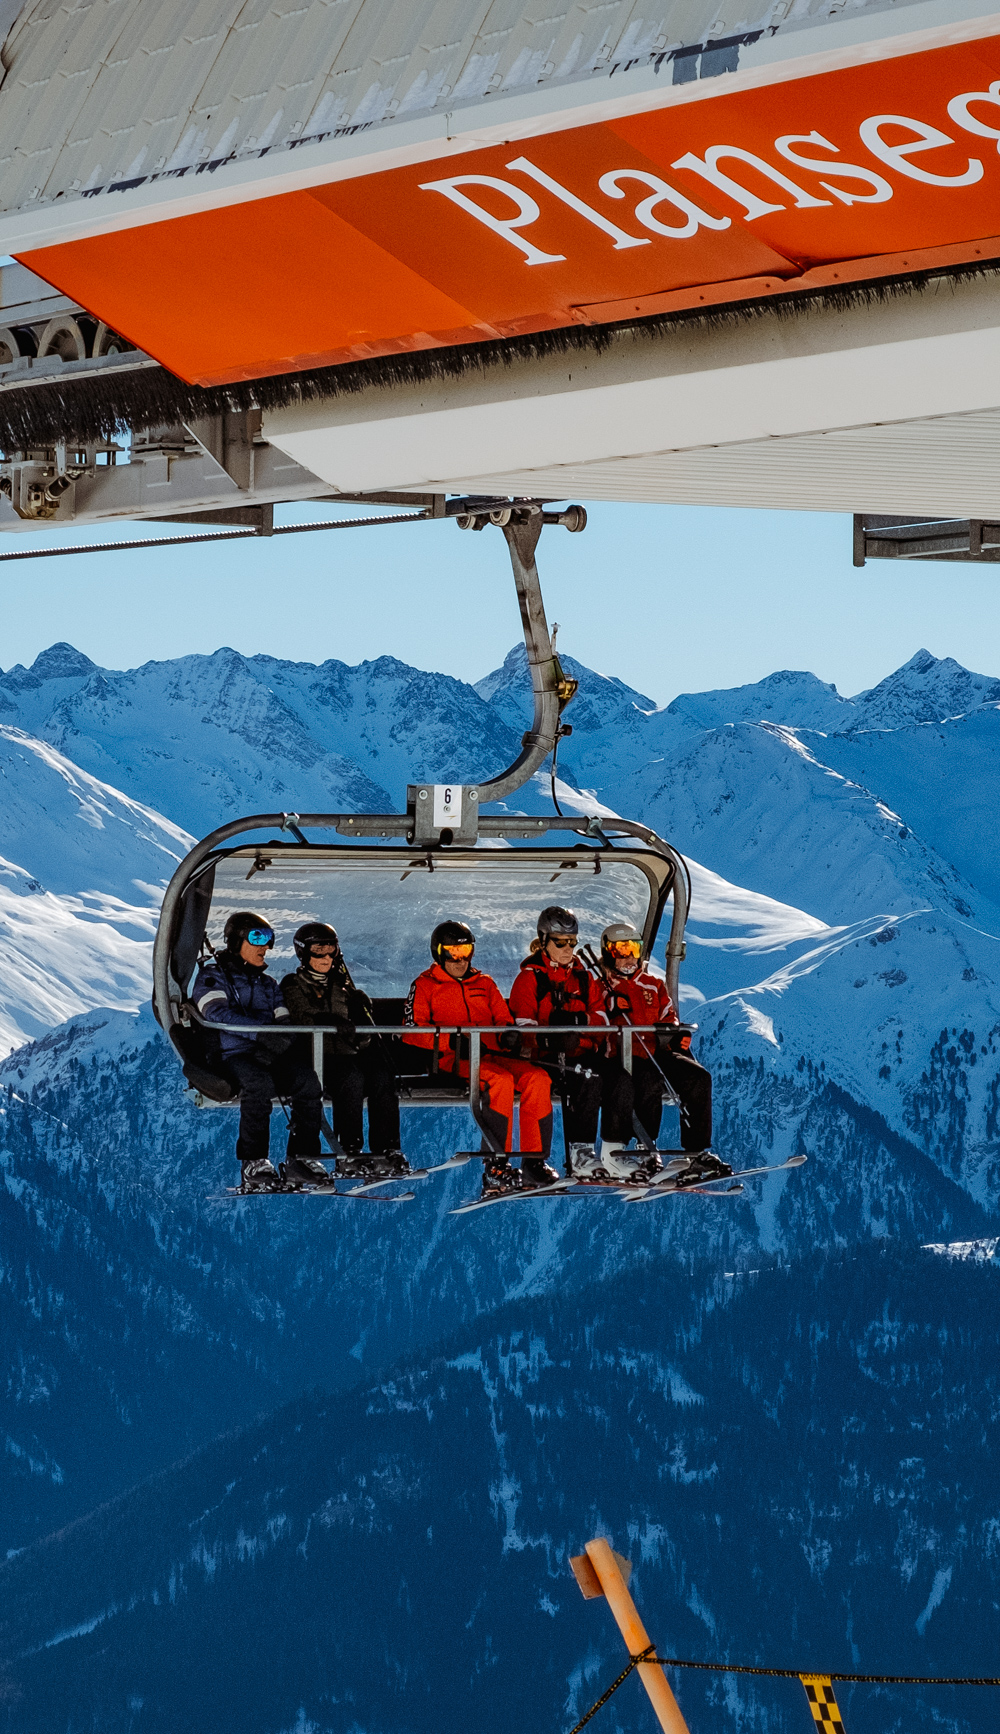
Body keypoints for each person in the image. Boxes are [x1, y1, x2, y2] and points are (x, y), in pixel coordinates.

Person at [403, 921, 556, 1195]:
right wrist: (447, 1041)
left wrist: (508, 1036)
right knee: (500, 1082)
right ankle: (497, 1165)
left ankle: (535, 1161)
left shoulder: (484, 983)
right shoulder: (426, 985)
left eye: (466, 952)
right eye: (453, 952)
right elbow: (411, 1030)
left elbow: (503, 1020)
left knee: (538, 1078)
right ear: (439, 953)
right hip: (453, 1059)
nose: (460, 960)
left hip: (492, 1054)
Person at [192, 911, 326, 1192]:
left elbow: (284, 1021)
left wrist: (276, 1042)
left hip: (267, 1054)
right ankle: (253, 1161)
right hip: (232, 1055)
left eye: (269, 939)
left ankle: (302, 1157)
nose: (266, 946)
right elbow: (215, 1014)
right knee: (258, 1084)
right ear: (236, 941)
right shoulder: (212, 977)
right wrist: (260, 1034)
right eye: (257, 938)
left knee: (307, 1081)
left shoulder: (268, 985)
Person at [595, 921, 727, 1183]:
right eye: (622, 949)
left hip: (656, 1050)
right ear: (609, 951)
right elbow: (594, 1020)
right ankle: (646, 1146)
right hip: (623, 1055)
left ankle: (695, 1151)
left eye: (634, 948)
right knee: (648, 1078)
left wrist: (672, 1033)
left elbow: (669, 1014)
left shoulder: (652, 985)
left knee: (698, 1077)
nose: (629, 956)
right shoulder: (600, 986)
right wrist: (610, 1008)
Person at [280, 922, 405, 1179]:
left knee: (382, 1076)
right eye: (318, 951)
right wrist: (330, 1021)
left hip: (347, 1054)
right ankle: (349, 1149)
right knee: (350, 1077)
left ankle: (388, 1148)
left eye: (330, 950)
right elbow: (301, 1018)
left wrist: (360, 1016)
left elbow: (360, 1036)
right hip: (314, 1057)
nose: (326, 957)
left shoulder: (343, 987)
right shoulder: (293, 984)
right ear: (304, 953)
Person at [508, 906, 609, 1179]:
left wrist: (577, 1022)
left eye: (573, 942)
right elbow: (523, 1026)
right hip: (545, 1057)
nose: (568, 949)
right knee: (587, 1079)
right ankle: (573, 1154)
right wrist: (553, 1037)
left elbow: (601, 1020)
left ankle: (616, 1153)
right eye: (560, 942)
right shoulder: (529, 979)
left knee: (617, 1078)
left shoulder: (584, 978)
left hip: (580, 1052)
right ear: (543, 941)